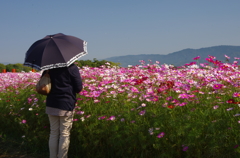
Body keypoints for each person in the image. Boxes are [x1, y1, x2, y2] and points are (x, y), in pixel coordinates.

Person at [43, 63, 83, 158]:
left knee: (53, 133)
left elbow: (44, 83)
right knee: (64, 134)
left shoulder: (49, 67)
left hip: (51, 104)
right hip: (66, 104)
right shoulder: (72, 67)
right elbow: (78, 88)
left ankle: (52, 156)